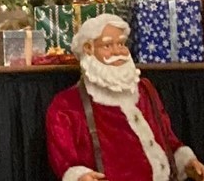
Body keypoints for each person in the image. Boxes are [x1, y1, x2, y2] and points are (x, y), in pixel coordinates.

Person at [46, 13, 204, 181]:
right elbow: (65, 159)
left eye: (121, 44)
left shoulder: (145, 90)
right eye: (107, 46)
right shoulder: (66, 104)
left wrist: (187, 162)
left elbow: (167, 138)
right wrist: (80, 176)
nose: (118, 52)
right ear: (88, 49)